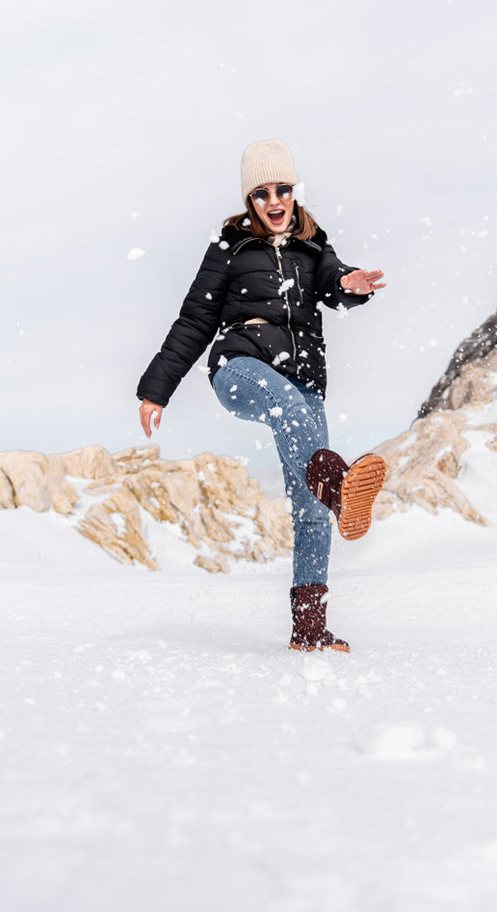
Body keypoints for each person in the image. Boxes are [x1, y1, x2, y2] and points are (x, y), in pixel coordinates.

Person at [135, 139, 387, 653]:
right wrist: (156, 388)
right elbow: (195, 320)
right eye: (262, 193)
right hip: (241, 367)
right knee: (296, 425)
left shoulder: (313, 245)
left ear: (295, 192)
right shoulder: (229, 248)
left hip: (304, 382)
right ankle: (338, 485)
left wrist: (352, 285)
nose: (275, 201)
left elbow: (333, 282)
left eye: (284, 189)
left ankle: (310, 632)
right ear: (249, 201)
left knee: (312, 507)